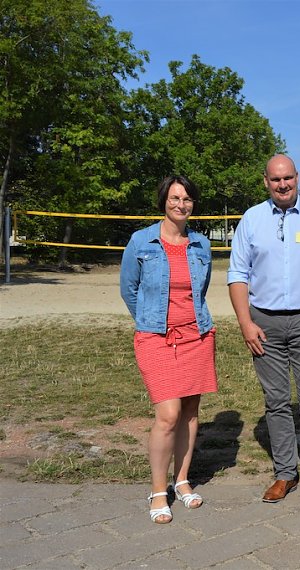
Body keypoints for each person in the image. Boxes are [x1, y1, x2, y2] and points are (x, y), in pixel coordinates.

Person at [227, 154, 300, 508]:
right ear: (265, 181)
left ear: (298, 178)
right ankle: (284, 473)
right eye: (276, 179)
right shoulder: (251, 219)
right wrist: (246, 323)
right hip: (264, 323)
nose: (283, 185)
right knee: (276, 401)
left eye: (288, 178)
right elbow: (237, 275)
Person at [120, 175, 217, 524]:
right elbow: (128, 289)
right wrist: (150, 320)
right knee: (168, 416)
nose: (181, 204)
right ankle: (158, 490)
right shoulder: (141, 241)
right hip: (156, 338)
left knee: (190, 413)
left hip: (198, 337)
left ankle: (182, 481)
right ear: (164, 200)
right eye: (175, 198)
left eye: (188, 199)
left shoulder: (201, 245)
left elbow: (199, 292)